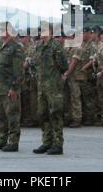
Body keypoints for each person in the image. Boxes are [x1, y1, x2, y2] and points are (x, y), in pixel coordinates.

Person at [32, 24, 68, 155]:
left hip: (53, 86)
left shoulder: (55, 47)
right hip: (42, 86)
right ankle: (47, 142)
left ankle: (58, 144)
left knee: (55, 114)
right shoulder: (40, 47)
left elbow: (64, 65)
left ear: (51, 32)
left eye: (44, 30)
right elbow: (36, 65)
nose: (41, 32)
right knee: (43, 114)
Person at [0, 22, 23, 152]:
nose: (0, 32)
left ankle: (13, 142)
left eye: (2, 29)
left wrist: (14, 88)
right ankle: (1, 140)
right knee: (0, 116)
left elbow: (18, 71)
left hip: (9, 88)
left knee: (12, 115)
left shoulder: (15, 47)